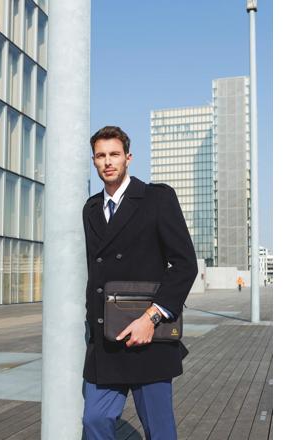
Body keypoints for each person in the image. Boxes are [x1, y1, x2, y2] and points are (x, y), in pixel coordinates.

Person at [82, 126, 198, 440]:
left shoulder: (157, 198)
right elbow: (96, 274)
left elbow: (185, 264)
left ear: (128, 158)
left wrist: (152, 317)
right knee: (94, 420)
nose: (108, 161)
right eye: (101, 155)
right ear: (94, 161)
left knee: (159, 432)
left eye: (114, 154)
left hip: (149, 336)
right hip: (106, 339)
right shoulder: (91, 209)